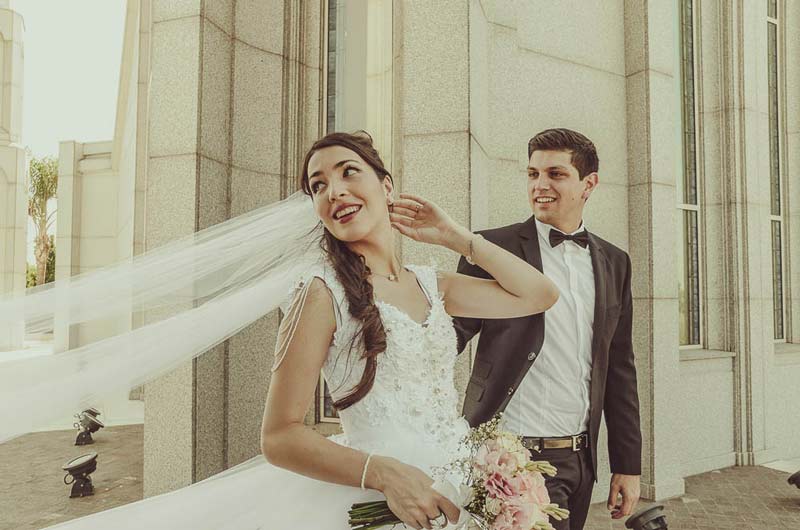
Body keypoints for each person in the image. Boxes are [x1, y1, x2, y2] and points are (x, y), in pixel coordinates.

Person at [42, 131, 559, 530]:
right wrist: (383, 474)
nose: (334, 191)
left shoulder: (433, 283)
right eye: (318, 185)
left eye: (348, 172)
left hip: (456, 490)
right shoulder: (320, 291)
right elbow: (279, 436)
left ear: (387, 187)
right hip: (377, 498)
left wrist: (454, 236)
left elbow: (538, 295)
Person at [454, 128, 642, 530]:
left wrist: (627, 465)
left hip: (579, 461)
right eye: (533, 174)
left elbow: (620, 368)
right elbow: (447, 336)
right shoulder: (490, 249)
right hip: (509, 458)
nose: (540, 185)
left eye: (555, 174)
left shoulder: (615, 262)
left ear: (588, 184)